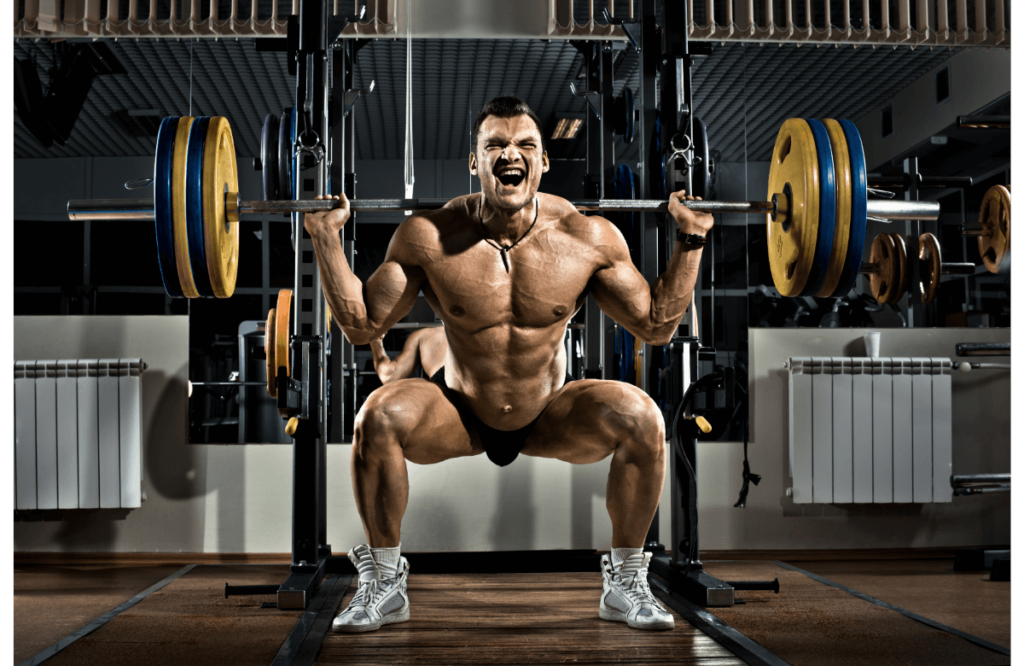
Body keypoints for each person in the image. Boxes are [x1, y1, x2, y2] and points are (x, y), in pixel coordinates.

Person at [304, 96, 713, 633]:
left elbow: (657, 325)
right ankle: (384, 582)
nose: (509, 154)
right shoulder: (428, 236)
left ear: (543, 162)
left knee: (642, 418)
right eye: (494, 144)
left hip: (549, 411)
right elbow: (361, 326)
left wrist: (691, 238)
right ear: (474, 162)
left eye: (524, 145)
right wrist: (327, 240)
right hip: (459, 410)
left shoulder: (586, 238)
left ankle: (626, 582)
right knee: (377, 415)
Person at [369, 325, 447, 384]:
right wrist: (376, 341)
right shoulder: (425, 337)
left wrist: (375, 340)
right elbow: (389, 376)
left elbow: (388, 376)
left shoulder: (426, 337)